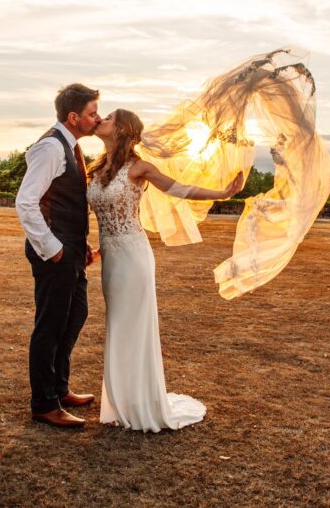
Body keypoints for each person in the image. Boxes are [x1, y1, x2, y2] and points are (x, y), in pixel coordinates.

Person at [87, 108, 242, 432]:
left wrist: (223, 193)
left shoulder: (139, 167)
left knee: (131, 326)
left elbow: (179, 189)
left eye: (111, 117)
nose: (102, 118)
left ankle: (140, 403)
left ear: (123, 130)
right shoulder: (97, 167)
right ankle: (121, 402)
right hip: (113, 258)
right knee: (118, 326)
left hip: (134, 258)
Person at [15, 83, 101, 428]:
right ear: (74, 116)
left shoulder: (71, 146)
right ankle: (44, 404)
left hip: (71, 251)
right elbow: (26, 202)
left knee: (75, 314)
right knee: (49, 326)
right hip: (54, 253)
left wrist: (80, 247)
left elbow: (67, 202)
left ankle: (60, 388)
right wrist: (54, 251)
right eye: (93, 113)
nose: (98, 118)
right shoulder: (51, 147)